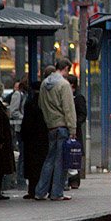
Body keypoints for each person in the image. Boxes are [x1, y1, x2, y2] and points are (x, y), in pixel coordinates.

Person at [34, 59, 76, 201]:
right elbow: (68, 108)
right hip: (62, 126)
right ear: (65, 68)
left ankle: (40, 192)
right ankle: (57, 192)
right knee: (61, 161)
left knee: (49, 160)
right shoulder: (64, 85)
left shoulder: (44, 84)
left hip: (50, 126)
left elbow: (41, 105)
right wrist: (72, 128)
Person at [21, 77, 49, 200]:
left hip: (30, 139)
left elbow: (26, 122)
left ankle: (32, 190)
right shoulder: (44, 103)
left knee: (31, 166)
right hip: (43, 138)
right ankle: (43, 189)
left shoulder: (29, 103)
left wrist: (24, 136)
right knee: (42, 164)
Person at [65, 74, 87, 189]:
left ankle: (74, 180)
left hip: (75, 131)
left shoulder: (78, 98)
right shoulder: (65, 96)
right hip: (67, 129)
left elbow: (83, 114)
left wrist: (75, 123)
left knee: (74, 154)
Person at [8, 76, 30, 184]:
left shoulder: (26, 95)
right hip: (20, 127)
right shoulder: (18, 95)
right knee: (23, 153)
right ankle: (20, 177)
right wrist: (24, 118)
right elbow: (14, 111)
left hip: (26, 127)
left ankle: (23, 176)